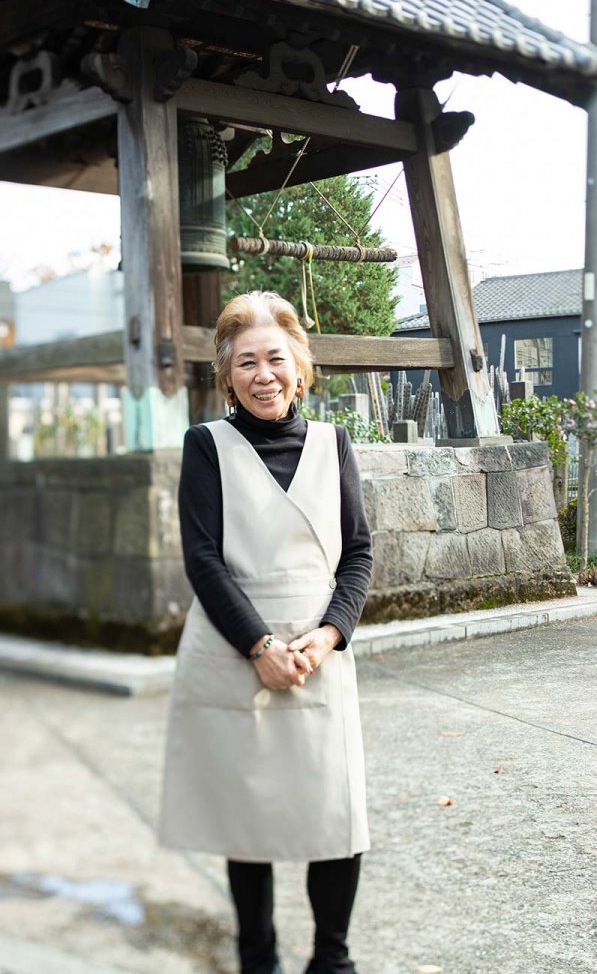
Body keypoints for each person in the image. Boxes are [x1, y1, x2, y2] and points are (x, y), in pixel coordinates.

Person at [159, 291, 373, 974]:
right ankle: (259, 957)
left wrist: (332, 633)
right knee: (245, 815)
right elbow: (202, 558)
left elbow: (359, 554)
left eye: (275, 358)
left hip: (317, 654)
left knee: (336, 816)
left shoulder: (333, 443)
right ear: (227, 375)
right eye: (245, 361)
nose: (263, 374)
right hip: (233, 647)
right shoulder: (206, 446)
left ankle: (331, 959)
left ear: (300, 366)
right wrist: (258, 645)